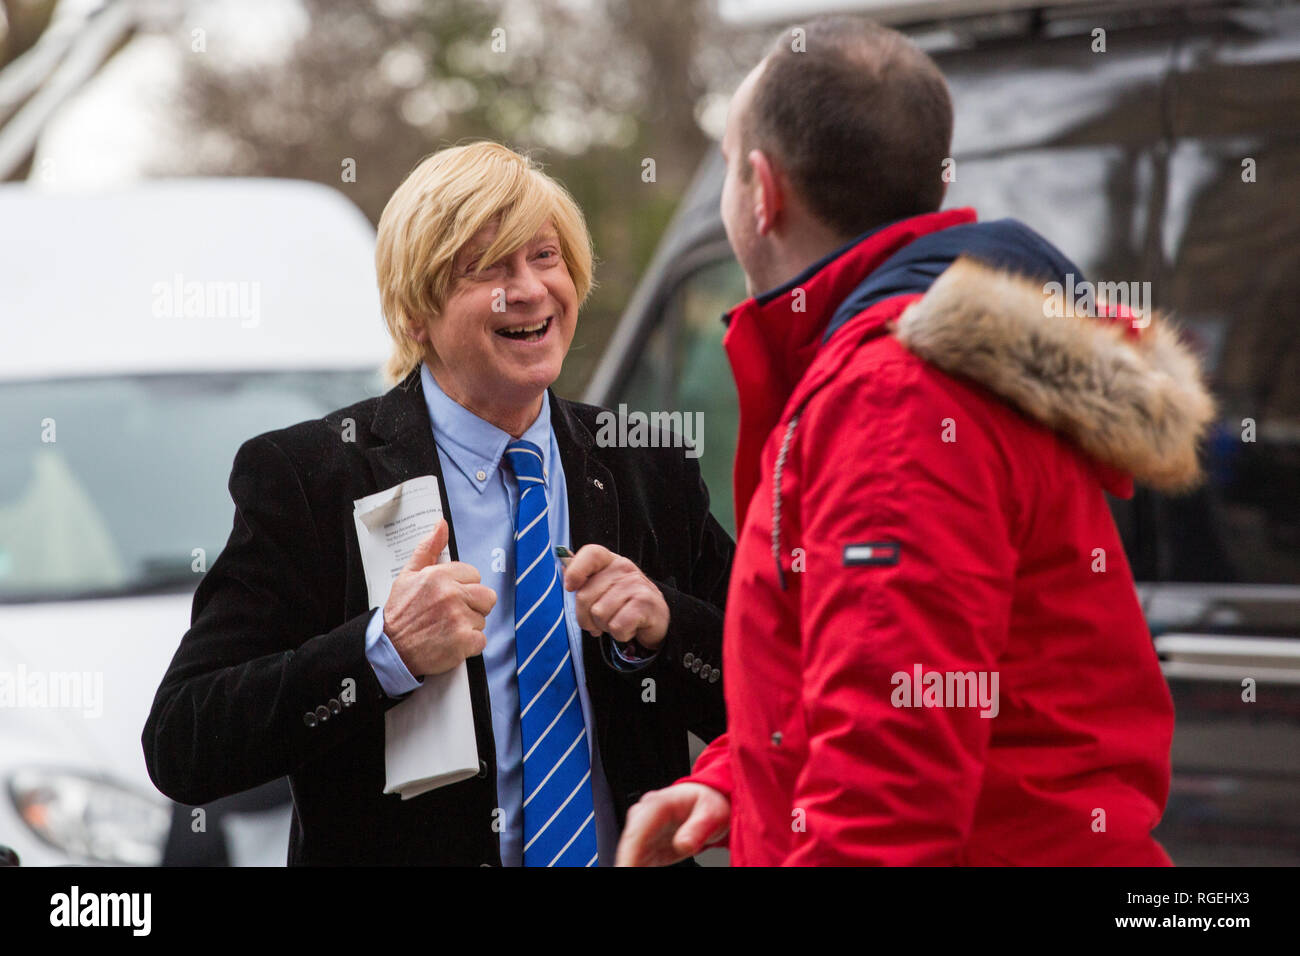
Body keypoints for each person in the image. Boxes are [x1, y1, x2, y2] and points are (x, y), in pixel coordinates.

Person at [617, 16, 1214, 866]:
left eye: (722, 170)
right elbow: (859, 681)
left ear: (761, 190)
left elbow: (888, 796)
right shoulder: (913, 370)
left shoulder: (894, 400)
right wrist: (734, 780)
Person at [142, 142, 732, 866]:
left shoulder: (646, 462)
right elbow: (183, 743)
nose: (529, 290)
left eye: (545, 257)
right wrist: (381, 650)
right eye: (488, 268)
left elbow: (774, 701)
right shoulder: (311, 475)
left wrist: (668, 628)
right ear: (416, 314)